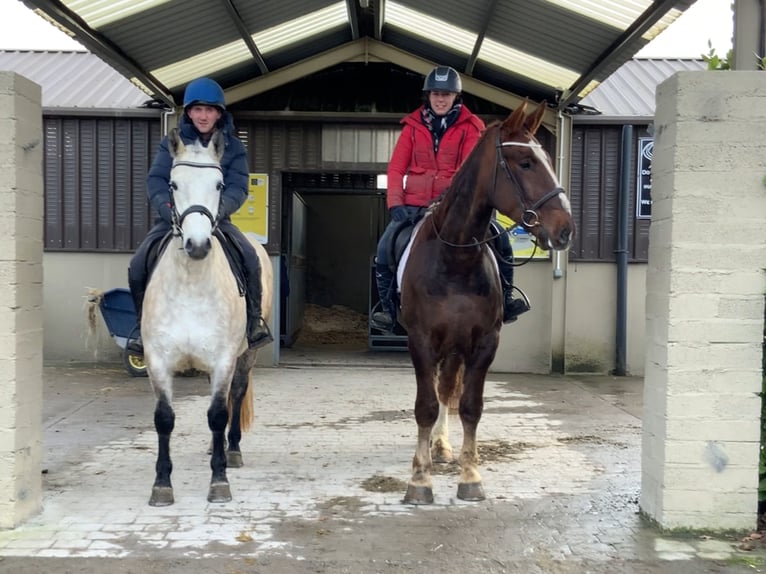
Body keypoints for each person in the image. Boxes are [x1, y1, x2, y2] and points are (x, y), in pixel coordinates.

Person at [370, 65, 530, 331]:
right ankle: (388, 309)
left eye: (446, 94)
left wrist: (447, 197)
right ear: (428, 96)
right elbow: (397, 168)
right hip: (415, 206)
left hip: (456, 206)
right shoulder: (411, 127)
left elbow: (467, 169)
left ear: (456, 96)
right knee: (385, 248)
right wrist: (396, 203)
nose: (440, 99)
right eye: (435, 93)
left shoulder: (472, 127)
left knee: (501, 239)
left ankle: (507, 298)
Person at [126, 77, 272, 356]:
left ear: (219, 113)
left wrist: (216, 212)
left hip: (216, 219)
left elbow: (239, 186)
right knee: (137, 265)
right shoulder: (171, 144)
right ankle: (140, 328)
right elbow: (156, 180)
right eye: (197, 110)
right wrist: (169, 212)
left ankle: (254, 323)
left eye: (209, 110)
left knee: (251, 259)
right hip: (175, 220)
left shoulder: (233, 148)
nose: (203, 116)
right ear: (189, 113)